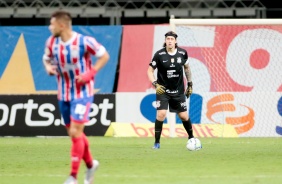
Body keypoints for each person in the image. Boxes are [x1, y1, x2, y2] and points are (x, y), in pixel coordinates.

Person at [42, 10, 110, 184]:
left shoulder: (84, 41)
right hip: (63, 94)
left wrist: (91, 73)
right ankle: (90, 165)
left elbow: (104, 55)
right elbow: (46, 59)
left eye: (52, 24)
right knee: (75, 134)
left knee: (75, 131)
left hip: (83, 93)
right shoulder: (52, 42)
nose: (50, 27)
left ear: (62, 25)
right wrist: (48, 68)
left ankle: (73, 177)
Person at [147, 31, 197, 149]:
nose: (169, 41)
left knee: (184, 116)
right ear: (165, 41)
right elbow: (149, 71)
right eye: (167, 39)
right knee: (161, 114)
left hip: (178, 91)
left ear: (175, 41)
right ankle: (157, 143)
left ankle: (192, 138)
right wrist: (155, 84)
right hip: (163, 90)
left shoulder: (182, 53)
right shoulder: (159, 54)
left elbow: (187, 69)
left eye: (171, 39)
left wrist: (190, 84)